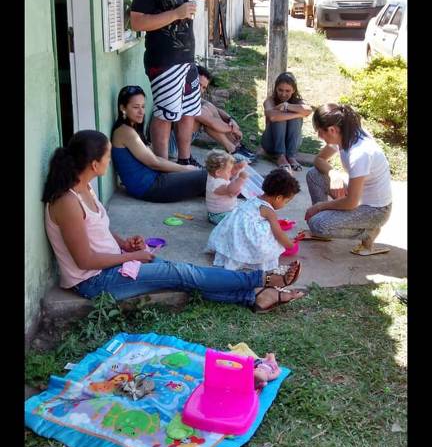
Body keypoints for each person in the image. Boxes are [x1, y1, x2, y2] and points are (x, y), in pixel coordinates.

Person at [42, 130, 304, 313]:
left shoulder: (85, 188)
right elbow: (85, 261)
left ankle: (257, 297)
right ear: (94, 163)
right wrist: (130, 257)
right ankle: (263, 280)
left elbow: (97, 232)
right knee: (182, 274)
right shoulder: (67, 202)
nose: (110, 162)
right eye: (109, 157)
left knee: (183, 274)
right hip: (95, 282)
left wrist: (124, 245)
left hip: (114, 265)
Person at [130, 0, 214, 165]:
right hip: (163, 60)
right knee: (165, 115)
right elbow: (137, 21)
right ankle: (162, 165)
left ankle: (185, 160)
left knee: (188, 112)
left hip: (187, 58)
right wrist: (176, 14)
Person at [304, 103, 392, 255]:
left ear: (332, 130)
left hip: (375, 210)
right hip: (357, 197)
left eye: (320, 132)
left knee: (318, 223)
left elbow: (351, 202)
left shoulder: (360, 153)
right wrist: (333, 173)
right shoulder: (344, 132)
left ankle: (368, 233)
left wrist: (320, 206)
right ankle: (323, 233)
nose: (319, 136)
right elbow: (319, 160)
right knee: (314, 174)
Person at [110, 85, 207, 203]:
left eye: (143, 106)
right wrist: (185, 168)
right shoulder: (125, 131)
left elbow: (155, 159)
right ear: (123, 108)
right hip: (150, 187)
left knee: (208, 180)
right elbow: (154, 163)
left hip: (153, 180)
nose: (141, 112)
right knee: (206, 176)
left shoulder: (131, 128)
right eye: (136, 107)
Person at [206, 168, 302, 273]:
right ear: (278, 198)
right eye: (286, 201)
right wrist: (289, 244)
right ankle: (249, 257)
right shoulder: (269, 211)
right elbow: (278, 233)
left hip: (229, 238)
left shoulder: (253, 199)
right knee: (269, 228)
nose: (285, 205)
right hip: (244, 240)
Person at [168, 66, 257, 162]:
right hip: (173, 148)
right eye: (198, 84)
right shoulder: (182, 98)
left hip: (180, 143)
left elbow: (217, 110)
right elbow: (212, 123)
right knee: (206, 116)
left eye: (204, 87)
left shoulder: (190, 96)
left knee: (209, 106)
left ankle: (235, 147)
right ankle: (233, 149)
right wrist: (234, 129)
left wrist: (230, 120)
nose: (200, 90)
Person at [261, 72, 312, 172]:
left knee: (291, 116)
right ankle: (280, 156)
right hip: (271, 143)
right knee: (279, 116)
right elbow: (272, 117)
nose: (283, 94)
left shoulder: (298, 101)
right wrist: (298, 114)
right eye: (280, 90)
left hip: (291, 144)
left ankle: (291, 156)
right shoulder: (270, 100)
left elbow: (308, 110)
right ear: (276, 88)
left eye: (287, 91)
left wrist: (287, 106)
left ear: (293, 90)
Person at [205, 150, 248, 225]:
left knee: (243, 207)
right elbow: (231, 190)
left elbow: (228, 175)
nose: (230, 173)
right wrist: (241, 178)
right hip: (219, 215)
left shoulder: (214, 175)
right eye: (228, 171)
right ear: (218, 172)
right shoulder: (216, 184)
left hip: (223, 212)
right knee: (241, 219)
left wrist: (237, 168)